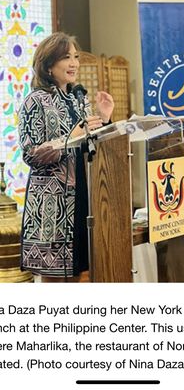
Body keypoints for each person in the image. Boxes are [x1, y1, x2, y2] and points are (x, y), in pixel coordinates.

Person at [18, 32, 114, 282]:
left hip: (82, 196)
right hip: (53, 205)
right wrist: (71, 137)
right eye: (66, 58)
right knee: (55, 279)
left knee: (77, 273)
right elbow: (30, 154)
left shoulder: (77, 100)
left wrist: (104, 120)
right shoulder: (35, 101)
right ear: (48, 65)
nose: (74, 63)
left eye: (76, 57)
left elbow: (89, 145)